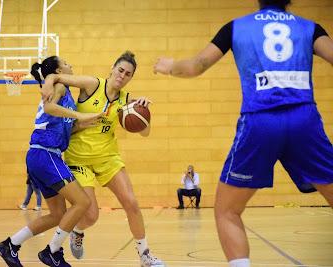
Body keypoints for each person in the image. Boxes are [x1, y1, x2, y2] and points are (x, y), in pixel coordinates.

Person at [153, 0, 333, 266]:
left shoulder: (236, 27)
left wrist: (171, 67)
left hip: (260, 121)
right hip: (304, 120)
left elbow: (198, 65)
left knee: (227, 211)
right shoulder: (310, 28)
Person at [41, 51, 165, 267]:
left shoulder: (127, 100)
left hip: (108, 158)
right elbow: (59, 77)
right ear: (112, 69)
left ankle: (145, 255)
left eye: (128, 74)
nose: (122, 76)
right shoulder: (91, 84)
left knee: (132, 203)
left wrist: (144, 112)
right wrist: (49, 80)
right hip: (78, 159)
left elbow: (145, 133)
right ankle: (78, 230)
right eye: (120, 70)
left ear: (130, 78)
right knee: (90, 216)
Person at [0, 56, 103, 267]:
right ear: (57, 70)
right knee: (82, 202)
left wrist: (85, 123)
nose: (70, 65)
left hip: (41, 155)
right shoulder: (60, 85)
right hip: (45, 154)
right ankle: (52, 252)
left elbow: (63, 126)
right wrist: (80, 116)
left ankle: (10, 245)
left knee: (58, 215)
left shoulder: (64, 90)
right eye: (66, 63)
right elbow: (49, 109)